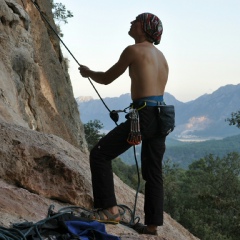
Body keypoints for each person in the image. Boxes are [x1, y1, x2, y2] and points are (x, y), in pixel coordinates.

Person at [79, 12, 168, 236]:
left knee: (100, 154)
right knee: (154, 171)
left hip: (144, 114)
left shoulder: (133, 50)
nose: (131, 23)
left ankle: (110, 210)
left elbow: (107, 78)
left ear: (145, 28)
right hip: (163, 115)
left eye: (136, 21)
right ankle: (152, 226)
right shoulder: (161, 57)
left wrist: (88, 73)